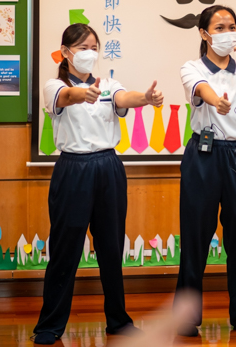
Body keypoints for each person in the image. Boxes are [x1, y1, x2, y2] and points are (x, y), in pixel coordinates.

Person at [33, 23, 164, 344]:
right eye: (82, 48)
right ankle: (49, 325)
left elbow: (124, 96)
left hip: (108, 168)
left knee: (110, 248)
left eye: (94, 47)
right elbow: (67, 96)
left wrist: (145, 98)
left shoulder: (108, 84)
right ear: (65, 52)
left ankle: (118, 321)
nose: (90, 53)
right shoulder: (53, 85)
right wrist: (82, 93)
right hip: (73, 169)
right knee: (65, 250)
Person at [175, 5, 236, 337]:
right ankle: (186, 317)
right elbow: (202, 91)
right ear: (204, 34)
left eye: (232, 26)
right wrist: (218, 101)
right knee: (195, 239)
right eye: (219, 27)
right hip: (205, 154)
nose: (227, 32)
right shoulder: (191, 67)